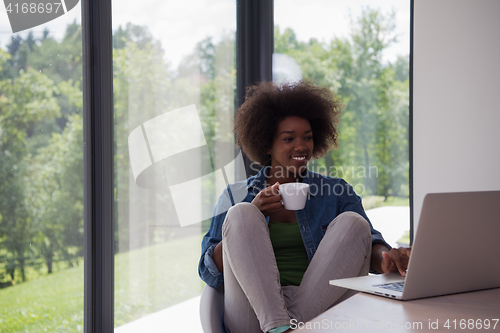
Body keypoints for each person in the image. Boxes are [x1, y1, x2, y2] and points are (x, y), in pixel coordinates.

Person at [198, 80, 411, 333]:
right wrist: (253, 213)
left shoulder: (337, 192)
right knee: (242, 213)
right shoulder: (235, 195)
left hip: (318, 310)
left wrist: (386, 260)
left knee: (354, 222)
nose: (301, 146)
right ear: (267, 143)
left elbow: (368, 245)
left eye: (307, 138)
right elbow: (209, 272)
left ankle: (282, 328)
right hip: (252, 314)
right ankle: (279, 324)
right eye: (289, 138)